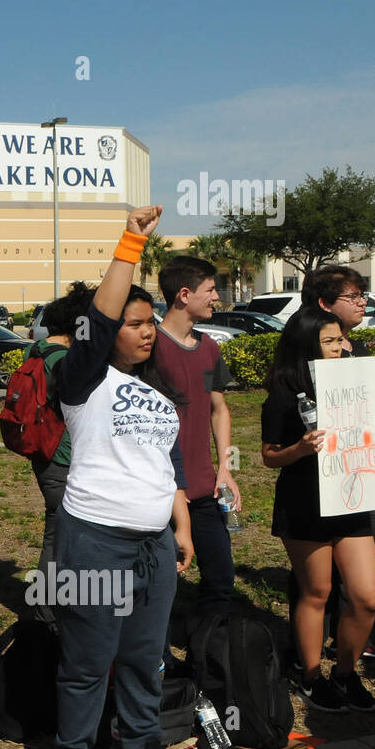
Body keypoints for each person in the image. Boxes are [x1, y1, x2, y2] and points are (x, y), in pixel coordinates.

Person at [53, 205, 194, 749]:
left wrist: (179, 526)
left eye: (150, 321)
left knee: (145, 655)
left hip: (154, 543)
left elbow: (167, 467)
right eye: (134, 323)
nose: (146, 330)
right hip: (95, 538)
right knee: (89, 661)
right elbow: (99, 317)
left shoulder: (157, 389)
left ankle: (139, 744)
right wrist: (130, 243)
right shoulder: (83, 377)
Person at [260, 307, 375, 711]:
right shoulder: (284, 397)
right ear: (307, 345)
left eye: (341, 339)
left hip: (353, 499)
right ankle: (310, 676)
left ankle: (346, 673)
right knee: (317, 591)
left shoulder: (360, 385)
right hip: (305, 503)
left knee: (365, 596)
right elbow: (269, 457)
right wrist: (299, 449)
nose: (342, 346)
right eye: (330, 341)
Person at [153, 256, 239, 619]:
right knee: (161, 584)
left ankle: (213, 655)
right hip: (160, 491)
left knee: (221, 580)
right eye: (210, 290)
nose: (217, 297)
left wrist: (227, 468)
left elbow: (219, 410)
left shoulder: (208, 347)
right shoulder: (149, 347)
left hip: (205, 489)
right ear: (184, 295)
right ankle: (157, 662)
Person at [22, 282, 94, 627]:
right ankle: (48, 611)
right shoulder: (64, 360)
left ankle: (51, 606)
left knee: (57, 531)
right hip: (64, 459)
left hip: (45, 456)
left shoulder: (36, 350)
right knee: (62, 536)